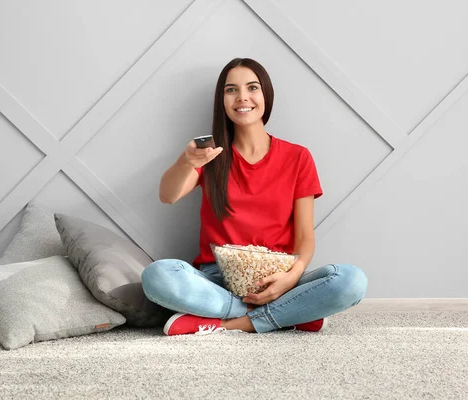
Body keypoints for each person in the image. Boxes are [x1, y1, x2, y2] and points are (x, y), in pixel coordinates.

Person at [142, 58, 367, 336]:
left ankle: (230, 323)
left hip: (280, 277)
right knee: (157, 276)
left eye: (252, 87)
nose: (242, 97)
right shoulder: (210, 155)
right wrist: (186, 161)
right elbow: (168, 195)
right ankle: (286, 315)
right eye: (231, 90)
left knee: (351, 280)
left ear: (265, 95)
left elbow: (305, 237)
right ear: (222, 100)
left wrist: (290, 278)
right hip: (218, 279)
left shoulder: (297, 157)